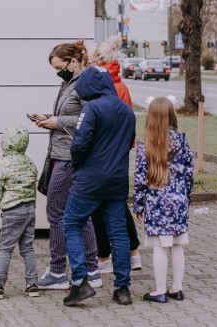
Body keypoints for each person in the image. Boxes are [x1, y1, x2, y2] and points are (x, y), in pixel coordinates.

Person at [61, 66, 136, 307]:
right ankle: (123, 289)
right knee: (118, 233)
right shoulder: (127, 110)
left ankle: (80, 282)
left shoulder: (91, 108)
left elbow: (80, 144)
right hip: (117, 181)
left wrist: (78, 165)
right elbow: (127, 142)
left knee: (71, 223)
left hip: (90, 181)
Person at [31, 41, 101, 291]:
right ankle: (92, 270)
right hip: (61, 154)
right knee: (79, 213)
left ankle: (59, 271)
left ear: (73, 62)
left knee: (57, 213)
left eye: (59, 67)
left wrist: (57, 121)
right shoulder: (68, 83)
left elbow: (90, 118)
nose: (57, 72)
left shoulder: (84, 85)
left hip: (69, 158)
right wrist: (50, 120)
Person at [133, 96, 194, 303]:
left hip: (156, 202)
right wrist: (187, 197)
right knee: (177, 245)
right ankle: (176, 288)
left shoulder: (145, 144)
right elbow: (189, 173)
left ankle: (159, 291)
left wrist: (138, 205)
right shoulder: (182, 141)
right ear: (171, 116)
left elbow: (140, 178)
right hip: (178, 201)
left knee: (160, 246)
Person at [90, 37, 142, 272]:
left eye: (92, 59)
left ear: (100, 61)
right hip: (118, 152)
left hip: (103, 153)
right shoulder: (120, 85)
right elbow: (129, 122)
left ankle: (105, 257)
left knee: (102, 204)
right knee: (117, 202)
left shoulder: (103, 85)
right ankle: (132, 253)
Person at [0, 125, 39, 300]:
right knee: (28, 248)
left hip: (11, 212)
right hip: (29, 210)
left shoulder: (1, 165)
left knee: (5, 249)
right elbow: (32, 189)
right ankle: (32, 285)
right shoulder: (31, 164)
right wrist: (32, 208)